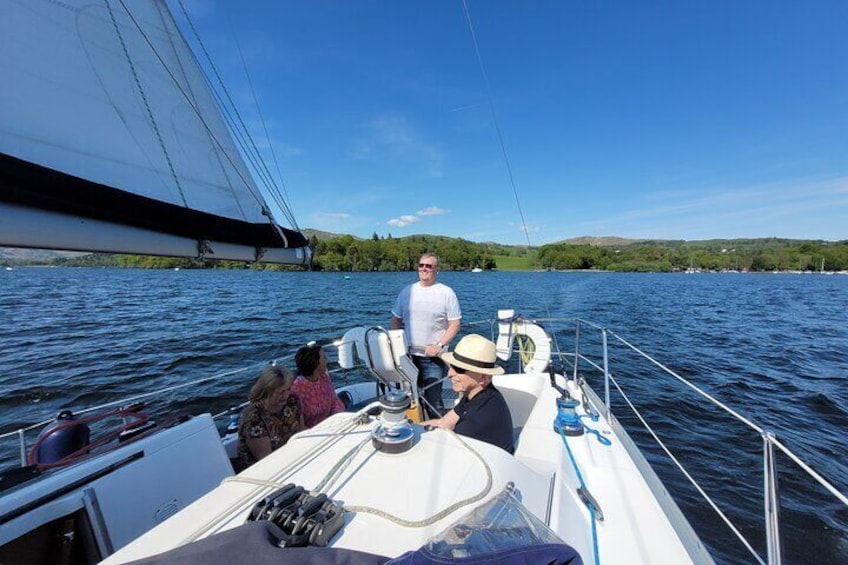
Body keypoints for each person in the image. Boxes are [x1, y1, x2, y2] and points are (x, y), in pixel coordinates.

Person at [390, 252, 461, 418]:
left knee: (433, 399)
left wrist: (439, 345)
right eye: (421, 265)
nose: (424, 269)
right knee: (411, 398)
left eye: (429, 266)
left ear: (437, 269)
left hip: (433, 358)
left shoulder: (446, 293)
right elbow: (395, 319)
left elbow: (455, 324)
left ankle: (440, 432)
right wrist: (394, 345)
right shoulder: (407, 291)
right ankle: (418, 430)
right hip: (407, 356)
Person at [421, 334, 514, 454]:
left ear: (482, 378)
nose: (449, 373)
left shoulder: (474, 422)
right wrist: (411, 428)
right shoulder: (480, 395)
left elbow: (452, 456)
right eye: (452, 366)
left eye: (459, 369)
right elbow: (444, 423)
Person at [237, 366, 304, 470]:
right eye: (280, 392)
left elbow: (302, 431)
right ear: (267, 391)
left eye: (288, 390)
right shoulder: (253, 418)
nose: (286, 395)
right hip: (266, 469)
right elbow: (266, 459)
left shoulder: (292, 401)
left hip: (295, 457)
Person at [291, 344, 345, 428]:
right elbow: (298, 425)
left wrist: (338, 420)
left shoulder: (324, 378)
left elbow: (334, 401)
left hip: (331, 425)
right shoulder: (297, 389)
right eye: (324, 358)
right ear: (315, 363)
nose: (327, 360)